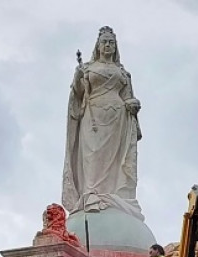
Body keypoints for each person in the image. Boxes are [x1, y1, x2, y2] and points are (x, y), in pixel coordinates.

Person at [61, 26, 144, 220]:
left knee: (115, 159)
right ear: (97, 46)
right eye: (104, 42)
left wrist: (133, 104)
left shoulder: (122, 72)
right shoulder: (88, 68)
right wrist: (77, 78)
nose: (107, 46)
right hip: (93, 116)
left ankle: (114, 197)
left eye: (111, 43)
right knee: (93, 156)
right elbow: (79, 94)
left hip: (118, 117)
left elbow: (127, 96)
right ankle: (91, 197)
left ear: (116, 47)